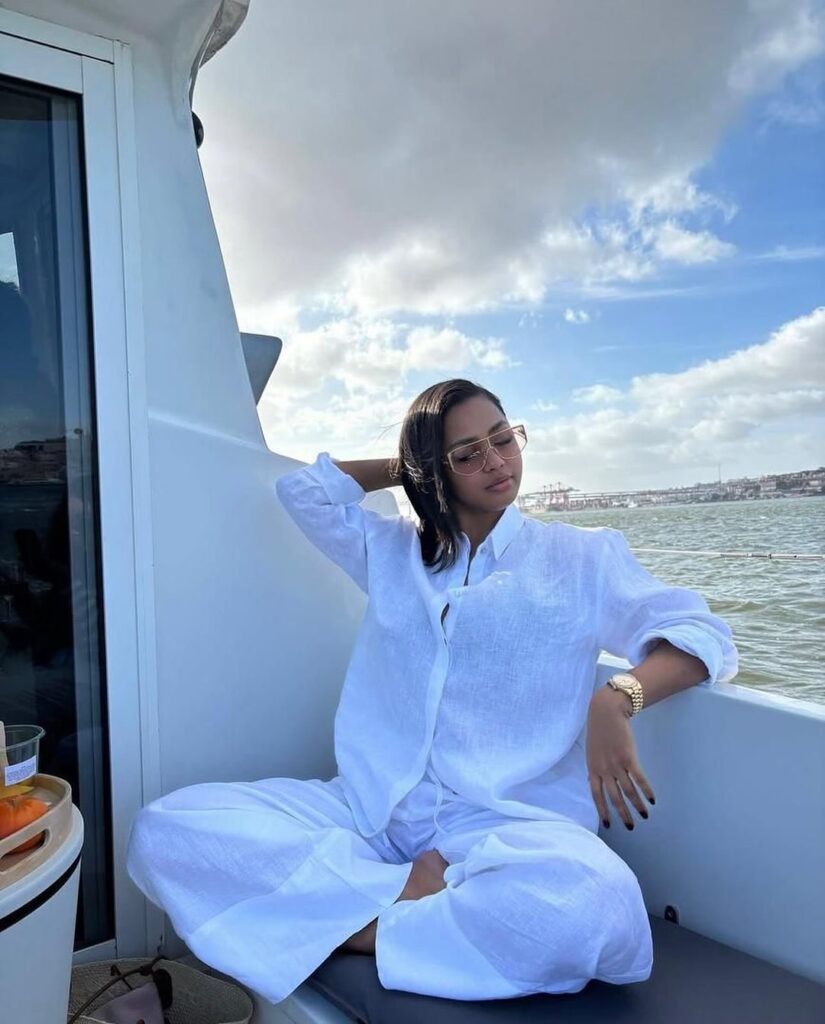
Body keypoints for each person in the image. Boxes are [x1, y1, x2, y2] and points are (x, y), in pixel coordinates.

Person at [127, 378, 737, 1005]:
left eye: (504, 438)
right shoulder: (391, 550)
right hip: (372, 810)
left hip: (499, 824)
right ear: (436, 471)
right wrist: (410, 468)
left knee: (596, 907)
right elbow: (305, 492)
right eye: (468, 454)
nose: (497, 462)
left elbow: (702, 635)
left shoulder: (580, 559)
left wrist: (618, 698)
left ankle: (352, 924)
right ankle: (404, 901)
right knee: (166, 829)